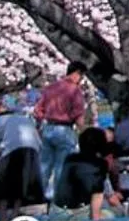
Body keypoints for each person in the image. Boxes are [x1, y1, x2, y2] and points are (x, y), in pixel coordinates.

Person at [36, 61, 90, 201]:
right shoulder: (74, 90)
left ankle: (37, 198)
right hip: (64, 129)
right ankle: (58, 199)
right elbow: (78, 114)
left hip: (48, 128)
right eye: (82, 76)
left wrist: (45, 119)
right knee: (62, 167)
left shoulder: (51, 88)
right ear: (77, 73)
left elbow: (37, 111)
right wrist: (83, 132)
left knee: (44, 167)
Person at [54, 125, 116, 220]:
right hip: (77, 214)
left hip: (57, 212)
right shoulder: (99, 165)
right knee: (110, 214)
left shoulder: (69, 159)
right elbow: (99, 195)